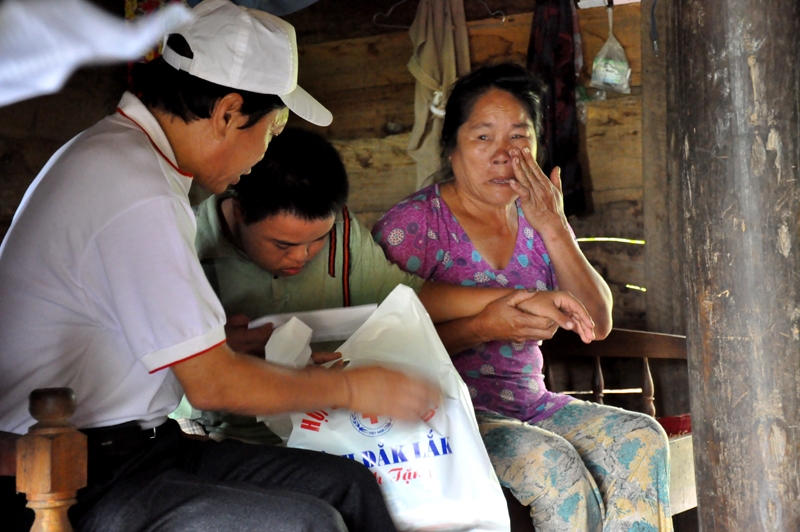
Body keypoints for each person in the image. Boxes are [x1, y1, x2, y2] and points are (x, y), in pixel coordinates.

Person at [0, 2, 437, 531]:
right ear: (229, 111)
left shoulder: (128, 162)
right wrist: (356, 389)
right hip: (72, 474)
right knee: (306, 523)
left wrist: (223, 343)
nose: (264, 152)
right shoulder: (132, 188)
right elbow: (212, 388)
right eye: (273, 128)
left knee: (349, 485)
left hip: (135, 452)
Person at [373, 63, 673, 532]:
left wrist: (553, 223)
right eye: (483, 137)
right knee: (554, 465)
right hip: (444, 416)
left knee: (641, 435)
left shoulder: (538, 218)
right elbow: (377, 347)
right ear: (451, 148)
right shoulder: (414, 226)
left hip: (529, 406)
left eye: (519, 137)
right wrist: (484, 327)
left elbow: (597, 322)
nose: (503, 155)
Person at [177, 126, 598, 443]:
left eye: (316, 241)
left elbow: (411, 297)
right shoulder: (186, 240)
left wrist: (522, 299)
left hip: (327, 433)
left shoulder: (344, 236)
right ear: (237, 210)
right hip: (225, 438)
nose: (302, 257)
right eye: (283, 245)